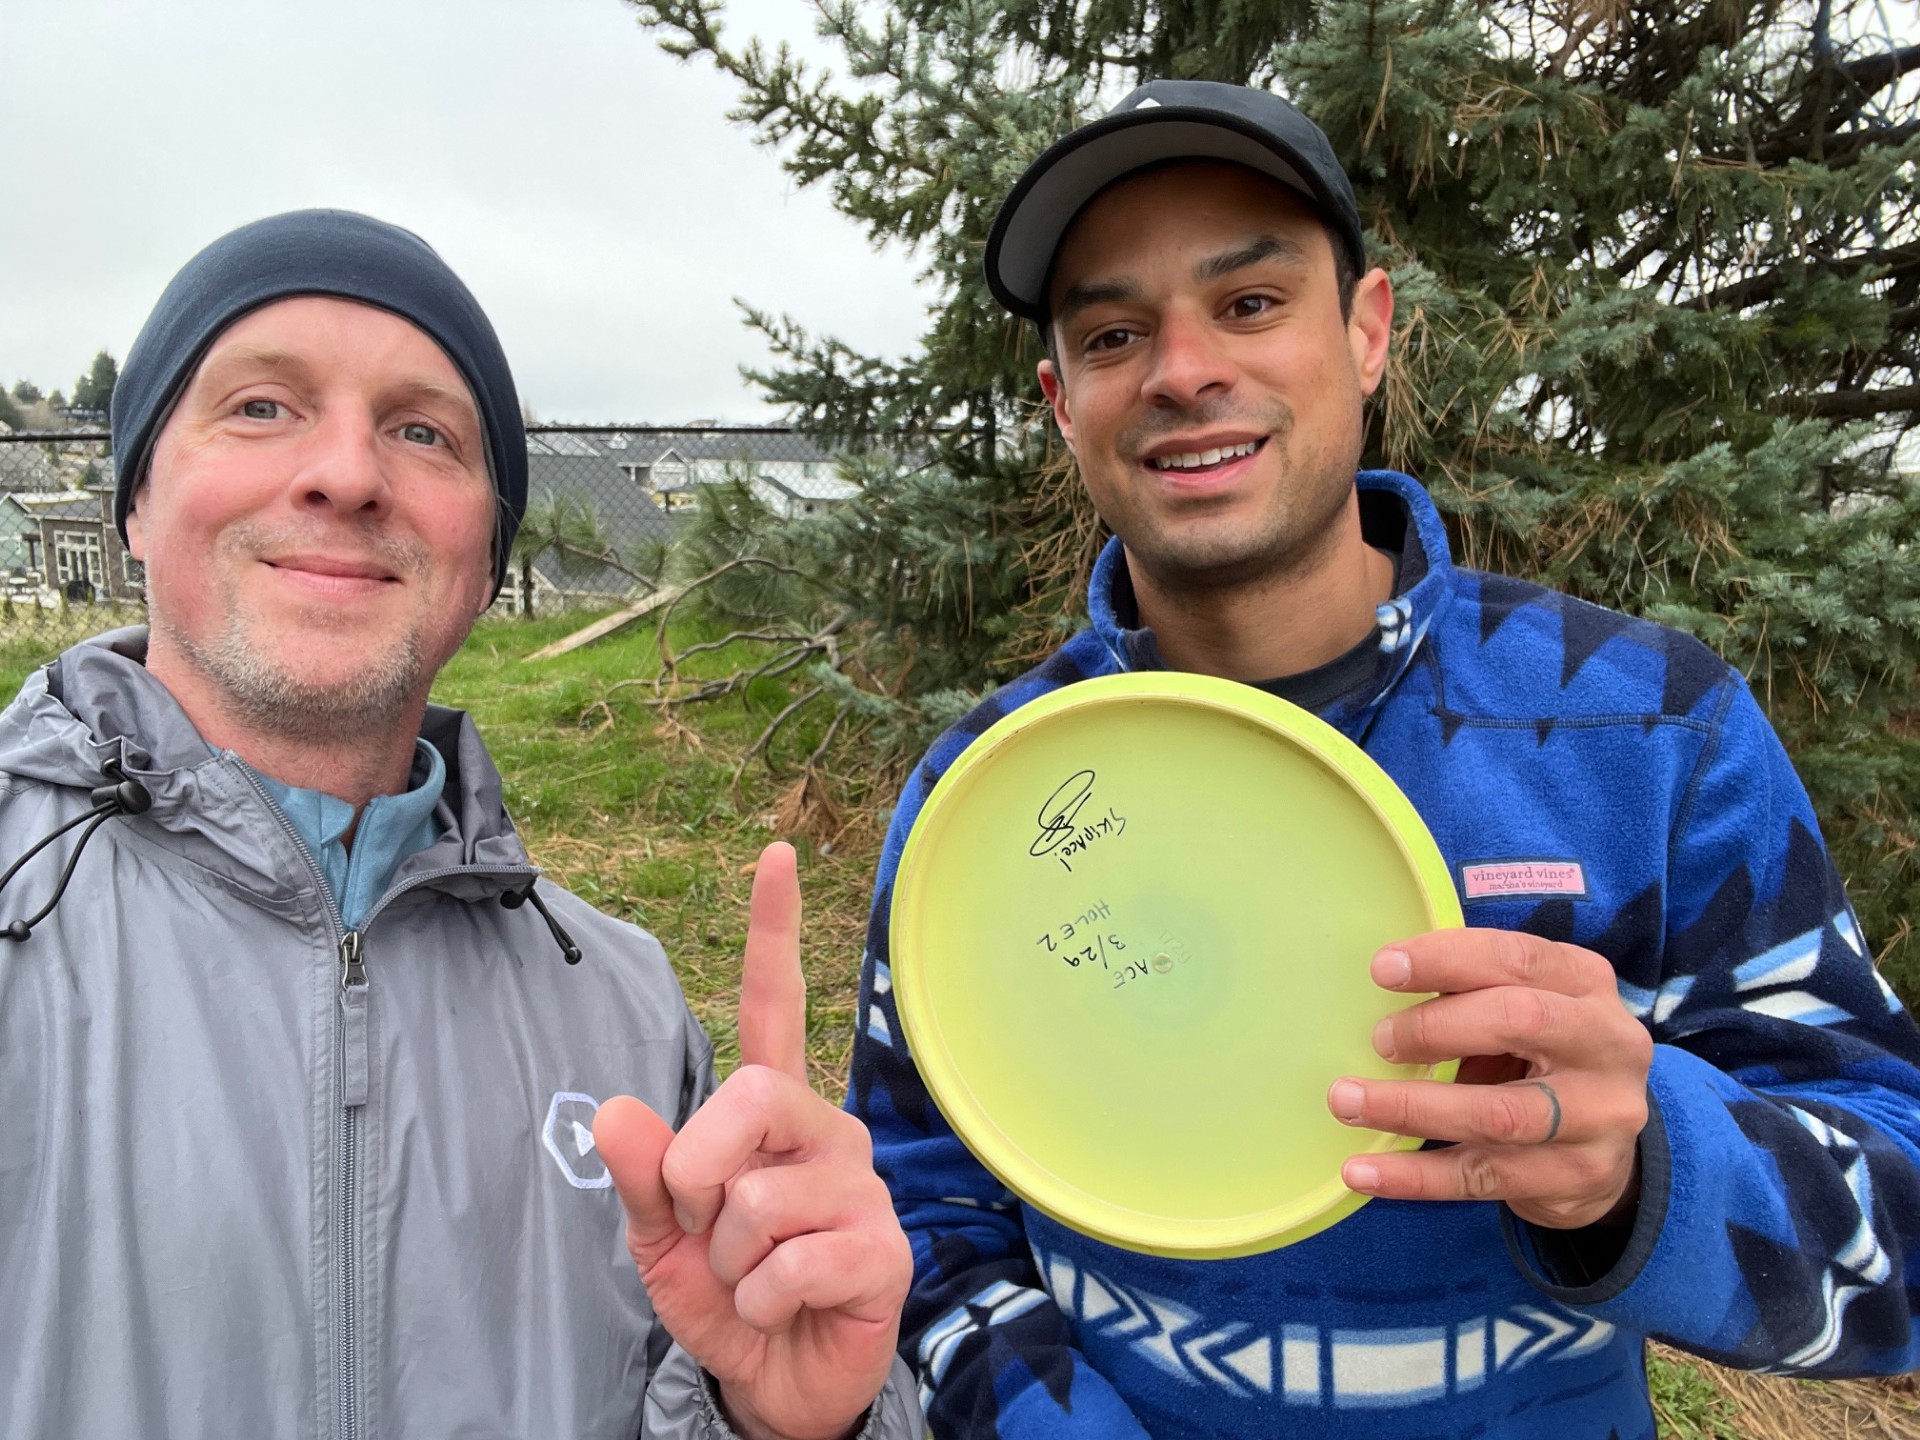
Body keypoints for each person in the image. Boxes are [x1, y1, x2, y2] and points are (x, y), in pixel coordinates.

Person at [847, 80, 1920, 1440]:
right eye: (1116, 333)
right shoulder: (984, 791)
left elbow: (1902, 1222)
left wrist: (1645, 1160)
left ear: (1366, 333)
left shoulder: (1645, 728)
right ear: (1066, 404)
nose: (1182, 370)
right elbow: (923, 1209)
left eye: (1248, 304)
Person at [0, 209, 919, 1440]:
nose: (346, 472)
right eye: (261, 406)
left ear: (487, 555)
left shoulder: (630, 1011)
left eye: (423, 430)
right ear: (134, 503)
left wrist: (786, 1426)